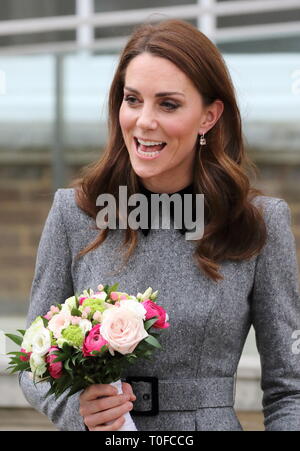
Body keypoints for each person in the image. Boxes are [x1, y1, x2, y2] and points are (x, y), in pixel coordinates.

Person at [19, 19, 300, 431]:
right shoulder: (73, 213)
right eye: (133, 100)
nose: (144, 121)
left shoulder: (257, 224)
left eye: (167, 104)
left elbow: (290, 388)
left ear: (209, 115)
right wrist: (76, 409)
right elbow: (33, 360)